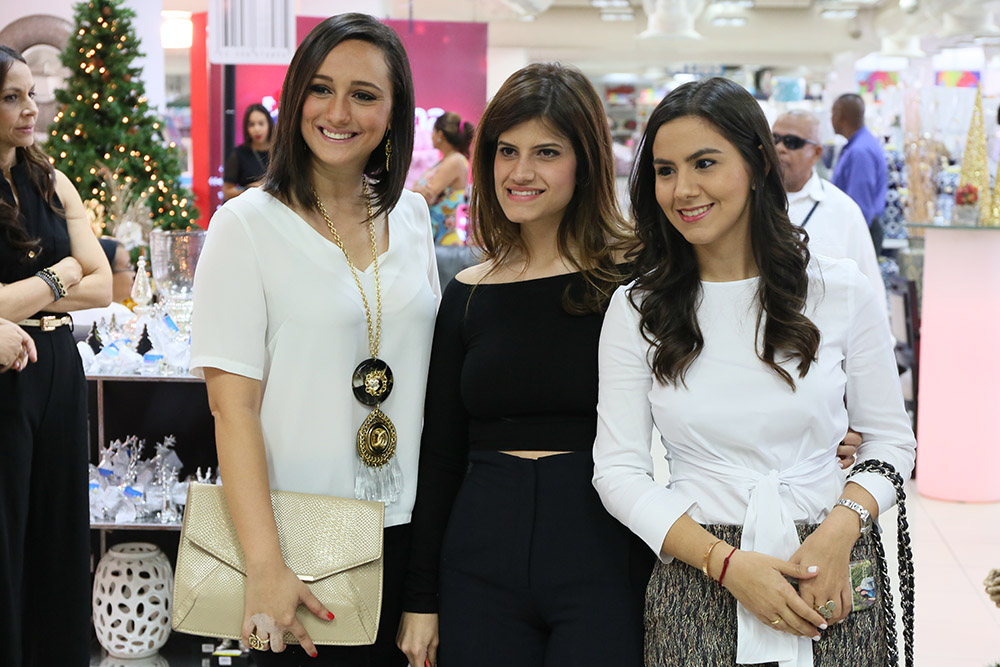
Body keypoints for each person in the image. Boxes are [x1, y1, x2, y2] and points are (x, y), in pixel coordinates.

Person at [592, 77, 916, 666]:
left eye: (705, 163)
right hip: (700, 568)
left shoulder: (838, 290)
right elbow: (617, 472)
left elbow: (892, 441)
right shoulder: (638, 308)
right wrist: (727, 564)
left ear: (758, 166)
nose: (682, 188)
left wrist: (841, 529)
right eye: (665, 170)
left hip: (830, 564)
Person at [190, 14, 439, 666]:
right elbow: (232, 409)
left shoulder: (412, 217)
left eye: (364, 94)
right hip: (297, 534)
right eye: (321, 88)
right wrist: (265, 562)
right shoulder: (245, 226)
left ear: (394, 110)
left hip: (411, 530)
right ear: (295, 95)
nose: (338, 111)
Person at [398, 62, 651, 667]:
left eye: (546, 152)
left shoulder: (632, 282)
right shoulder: (466, 294)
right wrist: (421, 597)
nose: (520, 172)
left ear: (583, 162)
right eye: (506, 151)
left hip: (604, 545)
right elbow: (440, 454)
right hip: (480, 555)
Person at [0, 45, 112, 666]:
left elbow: (103, 283)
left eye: (31, 94)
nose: (29, 109)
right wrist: (56, 276)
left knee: (60, 529)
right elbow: (79, 271)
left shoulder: (50, 179)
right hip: (5, 372)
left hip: (57, 368)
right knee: (9, 533)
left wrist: (28, 294)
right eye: (12, 96)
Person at [772, 110, 886, 315]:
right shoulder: (747, 201)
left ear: (816, 153)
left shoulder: (844, 211)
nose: (780, 148)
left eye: (792, 142)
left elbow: (871, 290)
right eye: (774, 139)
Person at [830, 93, 887, 253]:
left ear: (840, 115)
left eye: (832, 113)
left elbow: (860, 206)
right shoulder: (860, 145)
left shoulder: (860, 152)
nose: (831, 118)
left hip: (859, 234)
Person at [412, 111, 474, 246]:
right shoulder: (446, 160)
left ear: (440, 135)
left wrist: (416, 188)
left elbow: (427, 193)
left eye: (433, 131)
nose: (431, 135)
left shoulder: (455, 160)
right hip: (435, 233)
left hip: (443, 237)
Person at [69, 236, 135, 332]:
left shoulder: (69, 311)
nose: (133, 274)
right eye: (128, 267)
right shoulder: (119, 315)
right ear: (106, 272)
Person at [223, 103, 274, 201]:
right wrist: (250, 189)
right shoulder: (238, 154)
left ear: (269, 124)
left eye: (261, 123)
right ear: (246, 128)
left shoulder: (280, 152)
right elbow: (227, 192)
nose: (257, 129)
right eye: (252, 124)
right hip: (249, 209)